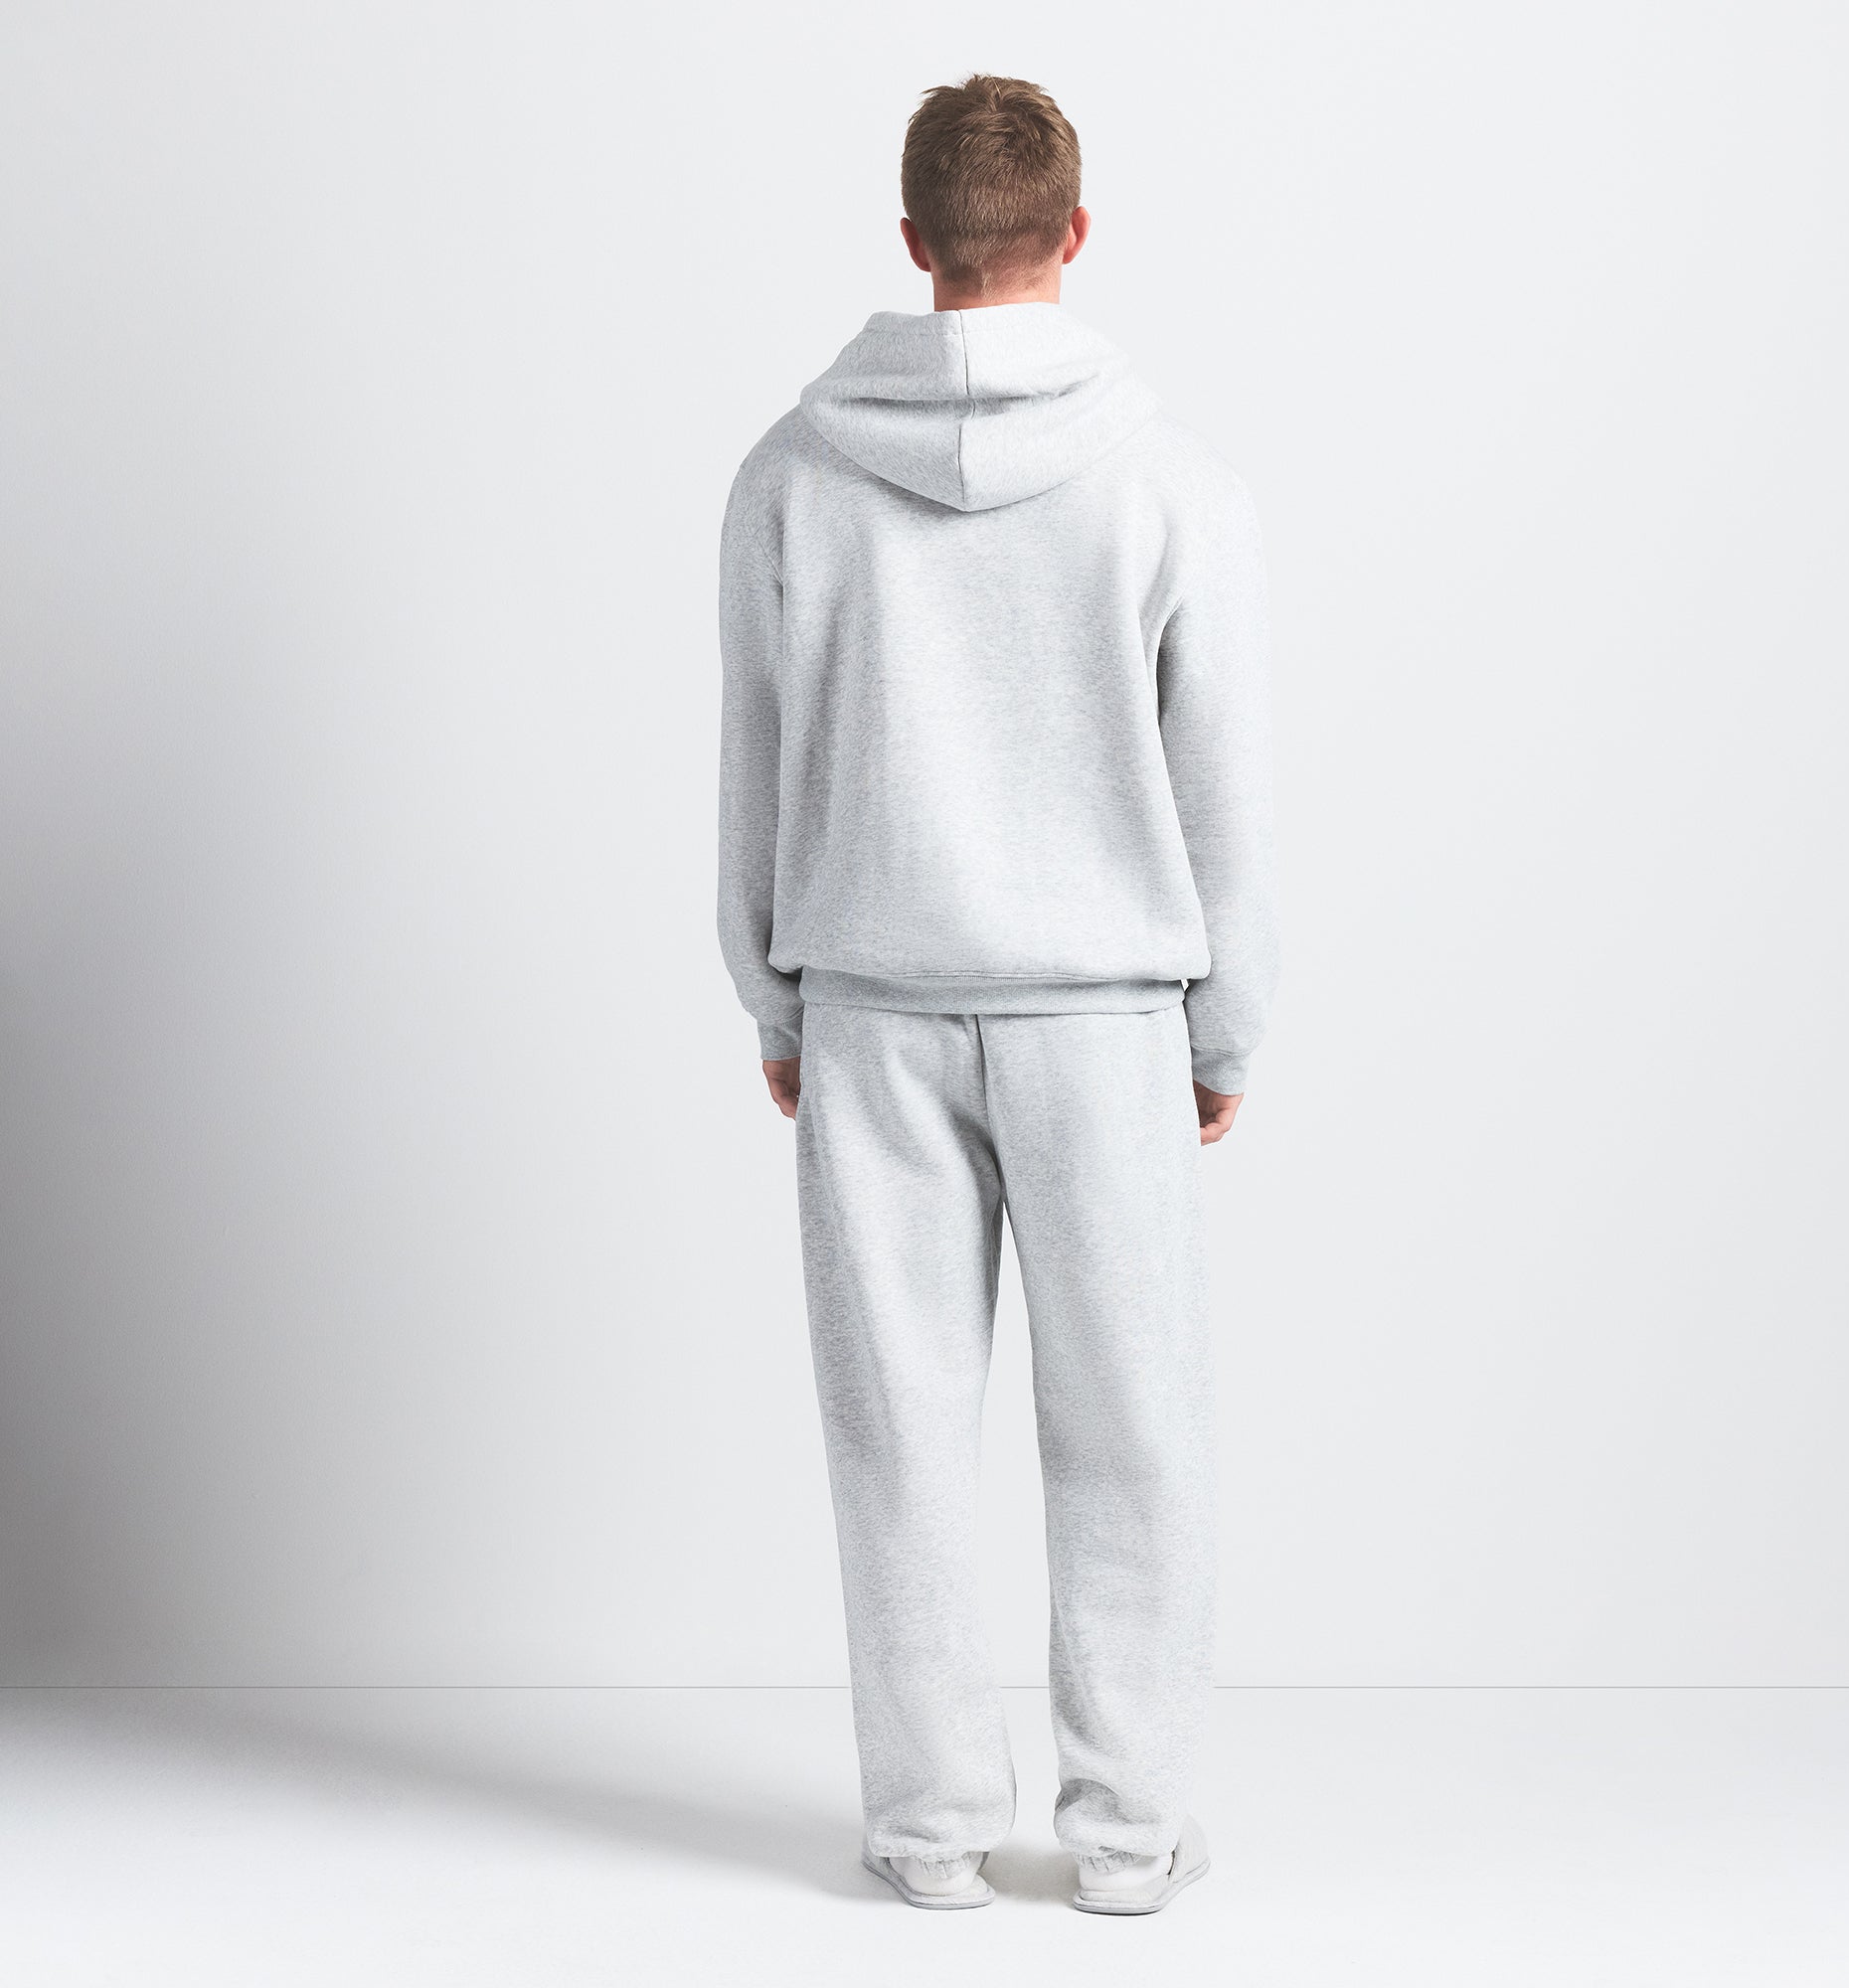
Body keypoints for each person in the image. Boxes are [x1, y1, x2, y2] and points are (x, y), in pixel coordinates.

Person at [716, 73, 1276, 1915]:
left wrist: (778, 1001)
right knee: (1132, 1436)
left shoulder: (791, 476)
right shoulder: (1173, 481)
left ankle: (929, 1830)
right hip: (1104, 1015)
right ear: (1076, 233)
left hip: (872, 1004)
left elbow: (756, 763)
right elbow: (1224, 785)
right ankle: (1128, 1838)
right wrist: (1226, 1026)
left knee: (895, 1440)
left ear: (912, 240)